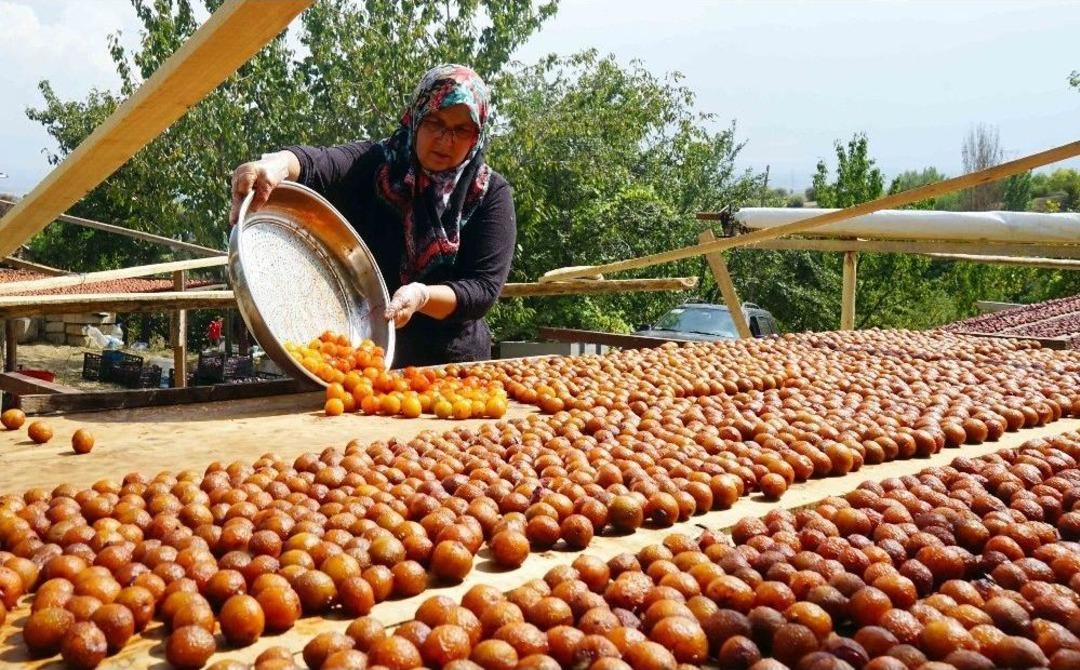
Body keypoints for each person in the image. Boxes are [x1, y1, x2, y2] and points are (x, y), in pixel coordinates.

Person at [229, 64, 516, 367]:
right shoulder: (378, 165)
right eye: (435, 122)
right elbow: (319, 164)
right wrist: (275, 166)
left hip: (451, 367)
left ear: (477, 135)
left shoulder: (489, 194)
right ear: (416, 117)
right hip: (366, 360)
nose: (446, 140)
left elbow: (482, 289)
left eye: (461, 130)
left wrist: (423, 296)